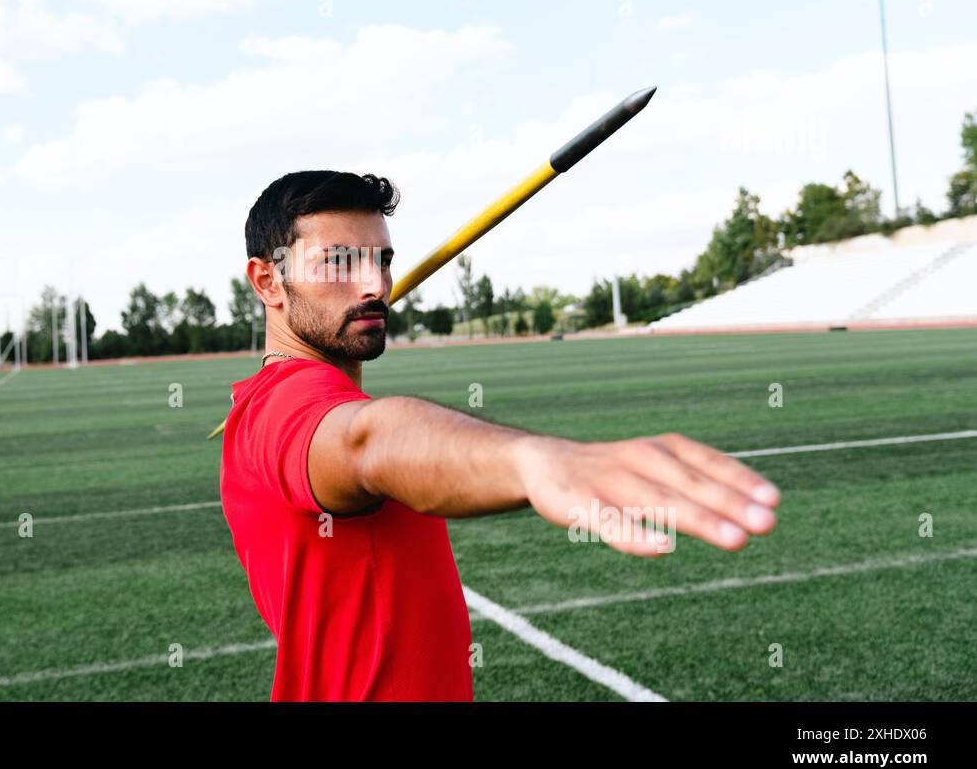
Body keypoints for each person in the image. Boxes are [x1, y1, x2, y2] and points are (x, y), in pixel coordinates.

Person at [219, 170, 780, 701]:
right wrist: (531, 460)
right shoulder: (283, 404)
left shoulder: (276, 402)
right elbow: (369, 443)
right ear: (268, 280)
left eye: (381, 260)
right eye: (339, 262)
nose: (374, 284)